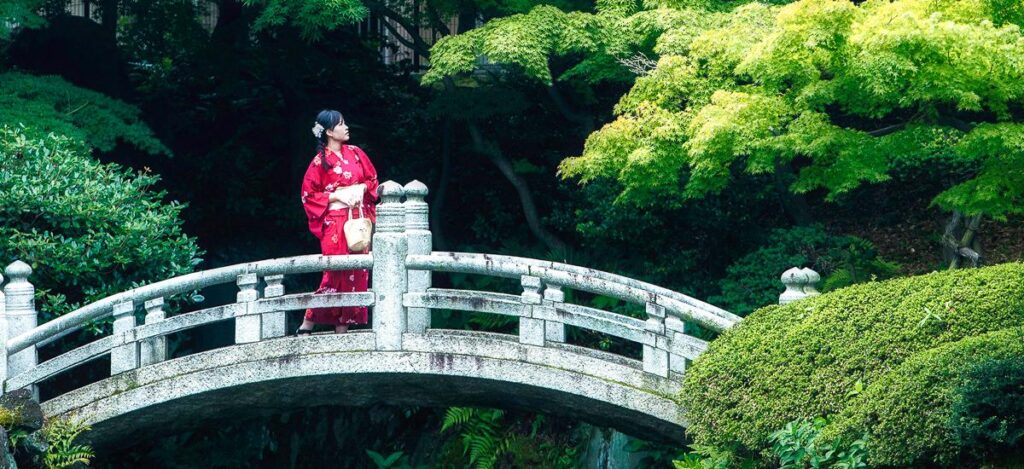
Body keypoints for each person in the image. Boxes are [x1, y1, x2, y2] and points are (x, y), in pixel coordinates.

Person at [297, 109, 379, 334]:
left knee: (358, 272)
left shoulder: (356, 153)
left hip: (357, 219)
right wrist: (336, 195)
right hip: (334, 222)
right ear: (330, 132)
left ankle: (342, 327)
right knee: (334, 273)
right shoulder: (318, 162)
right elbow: (308, 195)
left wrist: (361, 187)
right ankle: (309, 320)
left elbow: (373, 180)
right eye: (341, 124)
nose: (346, 127)